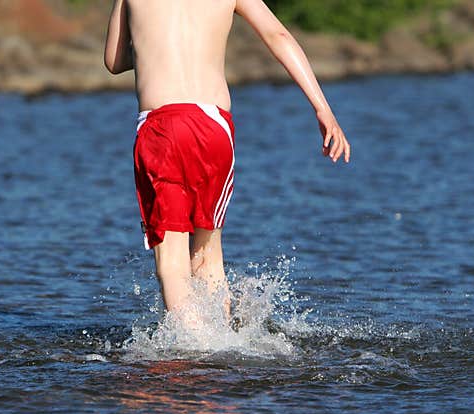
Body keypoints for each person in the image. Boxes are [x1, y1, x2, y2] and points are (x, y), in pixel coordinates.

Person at [105, 0, 349, 319]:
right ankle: (219, 352)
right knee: (207, 253)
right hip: (213, 126)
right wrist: (323, 109)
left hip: (161, 128)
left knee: (171, 261)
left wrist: (151, 46)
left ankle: (185, 353)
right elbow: (278, 35)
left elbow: (113, 61)